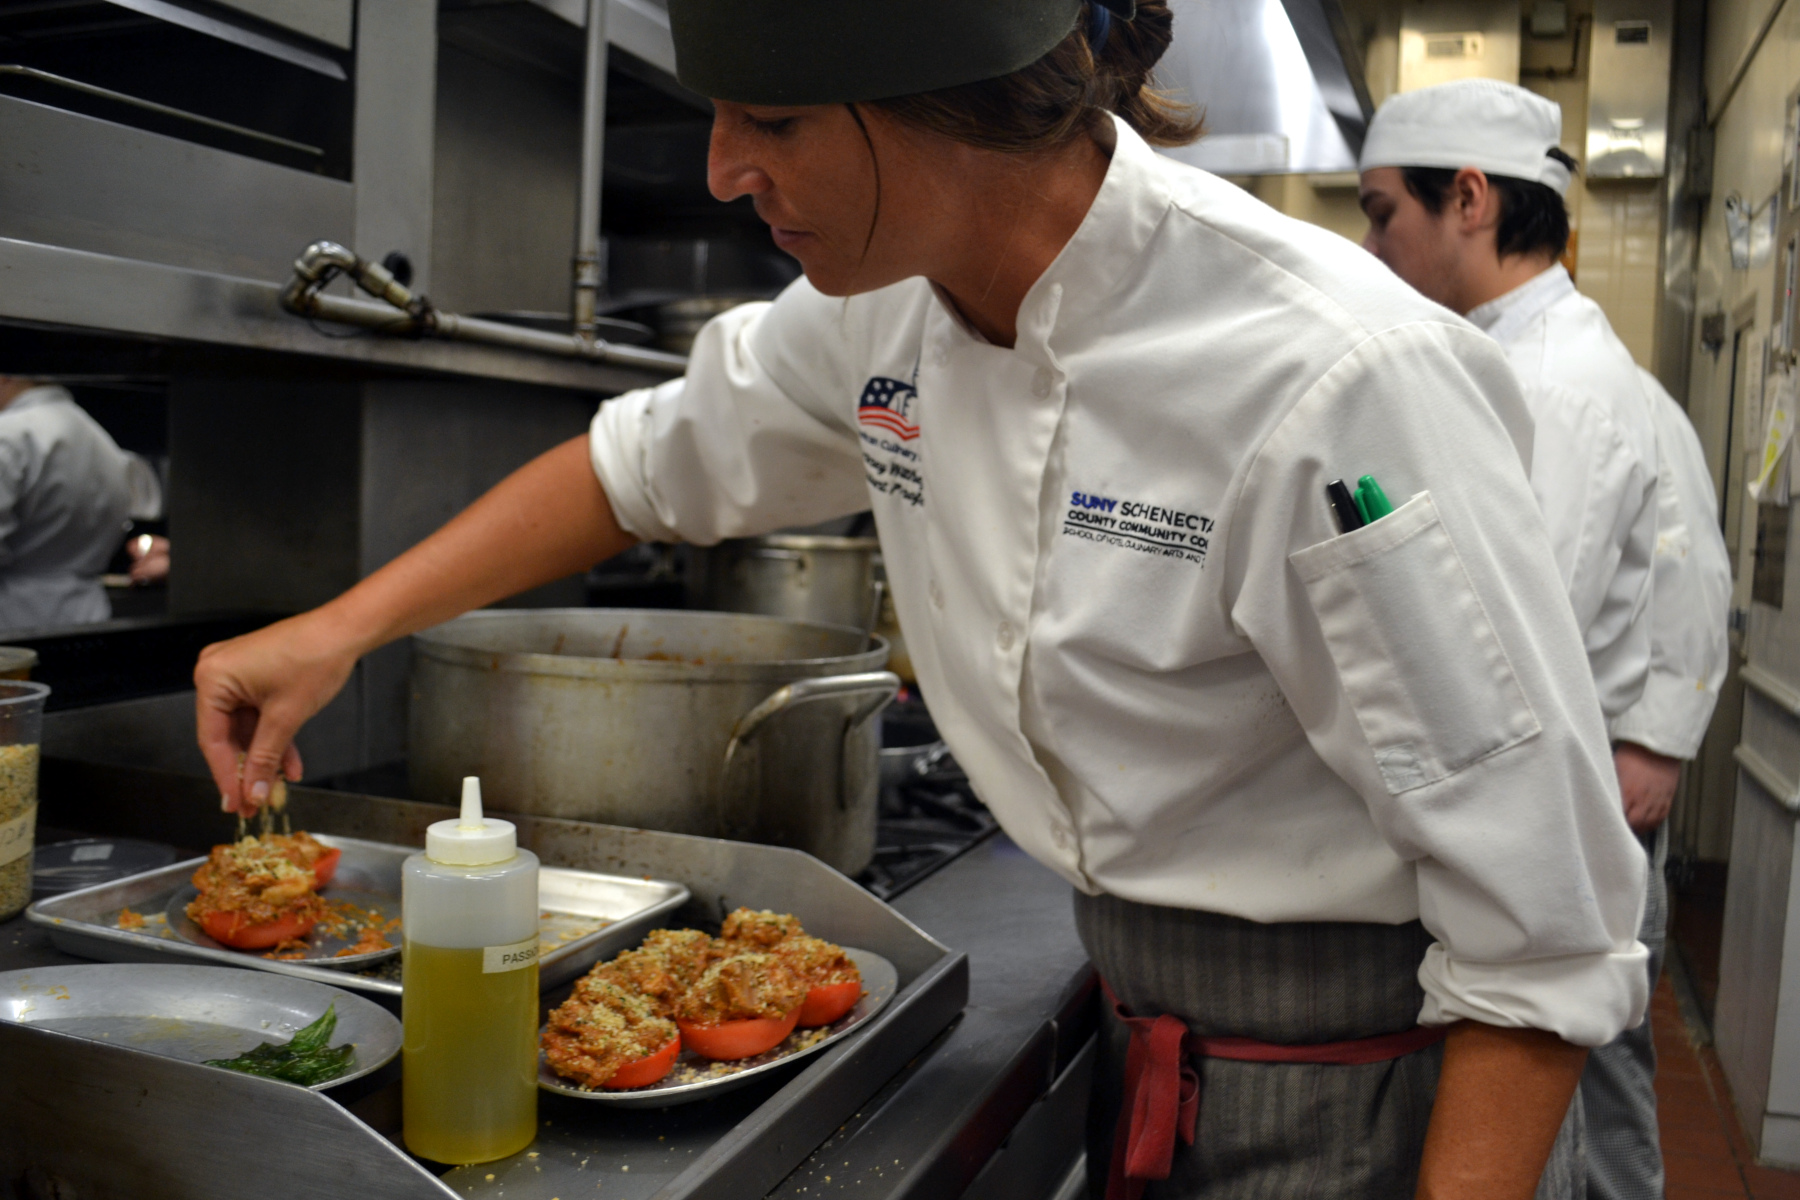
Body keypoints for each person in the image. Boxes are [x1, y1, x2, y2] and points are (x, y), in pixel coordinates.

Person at [194, 3, 1648, 1195]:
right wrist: (338, 630)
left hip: (1376, 1093)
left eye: (772, 121)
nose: (720, 171)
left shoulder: (1335, 379)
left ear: (954, 97)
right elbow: (641, 467)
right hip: (1146, 1036)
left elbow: (1547, 931)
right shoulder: (882, 309)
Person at [1357, 80, 1705, 1200]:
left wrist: (1655, 737)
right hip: (1582, 788)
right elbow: (1684, 551)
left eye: (1380, 213)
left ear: (1468, 197)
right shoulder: (1545, 358)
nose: (1372, 243)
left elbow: (1494, 636)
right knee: (1598, 1096)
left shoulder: (1550, 384)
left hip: (1554, 806)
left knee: (1571, 1110)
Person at [0, 375, 135, 632]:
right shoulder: (98, 434)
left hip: (14, 621)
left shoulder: (8, 432)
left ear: (5, 377)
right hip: (89, 616)